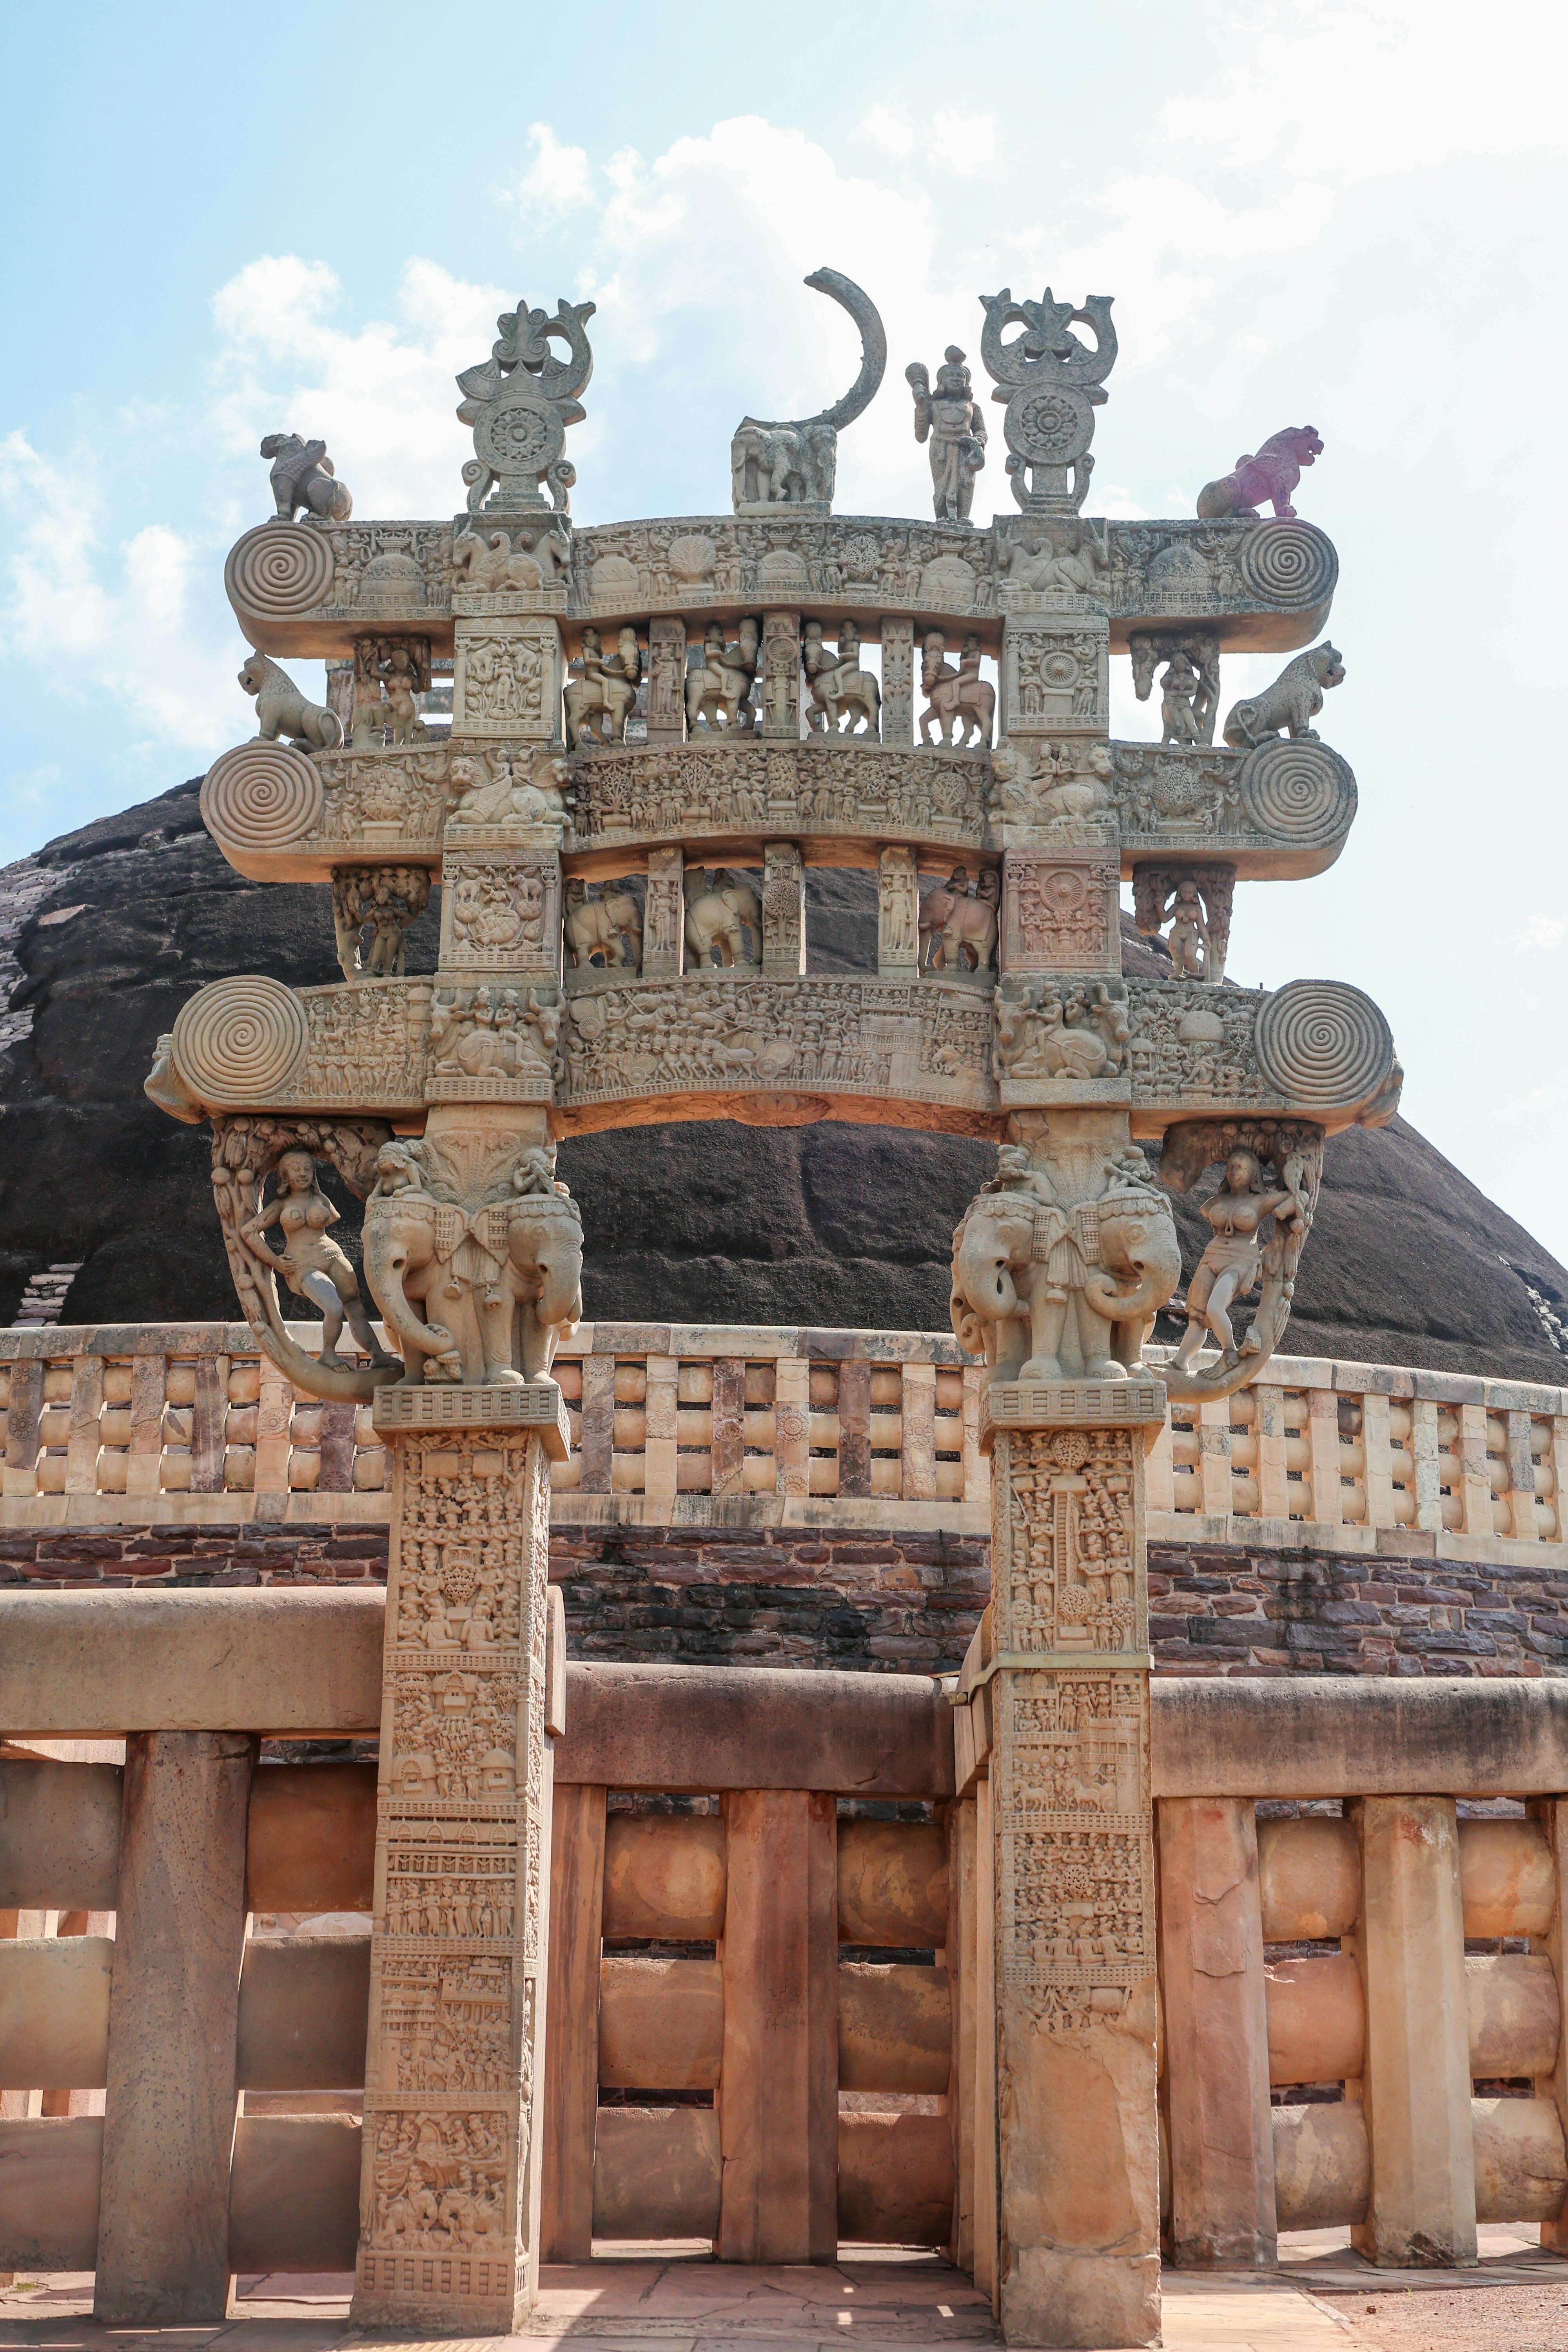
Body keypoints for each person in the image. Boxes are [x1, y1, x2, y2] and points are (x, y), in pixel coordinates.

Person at [238, 1149, 394, 1368]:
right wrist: (275, 1262)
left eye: (308, 1169)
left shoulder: (320, 1198)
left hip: (332, 1254)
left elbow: (334, 1216)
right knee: (334, 1307)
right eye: (296, 1169)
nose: (303, 1174)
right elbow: (249, 1232)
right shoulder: (282, 1204)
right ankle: (328, 1354)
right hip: (301, 1264)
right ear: (285, 1176)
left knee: (355, 1307)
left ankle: (377, 1355)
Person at [1175, 1148, 1305, 1366]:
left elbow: (1300, 1197)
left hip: (1241, 1259)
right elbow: (1207, 1213)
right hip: (1212, 1256)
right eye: (1231, 1166)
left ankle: (1229, 1353)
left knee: (1215, 1308)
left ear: (1254, 1174)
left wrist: (1287, 1211)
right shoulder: (1219, 1199)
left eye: (1241, 1167)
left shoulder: (1261, 1201)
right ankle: (1180, 1363)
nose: (1234, 1171)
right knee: (1197, 1317)